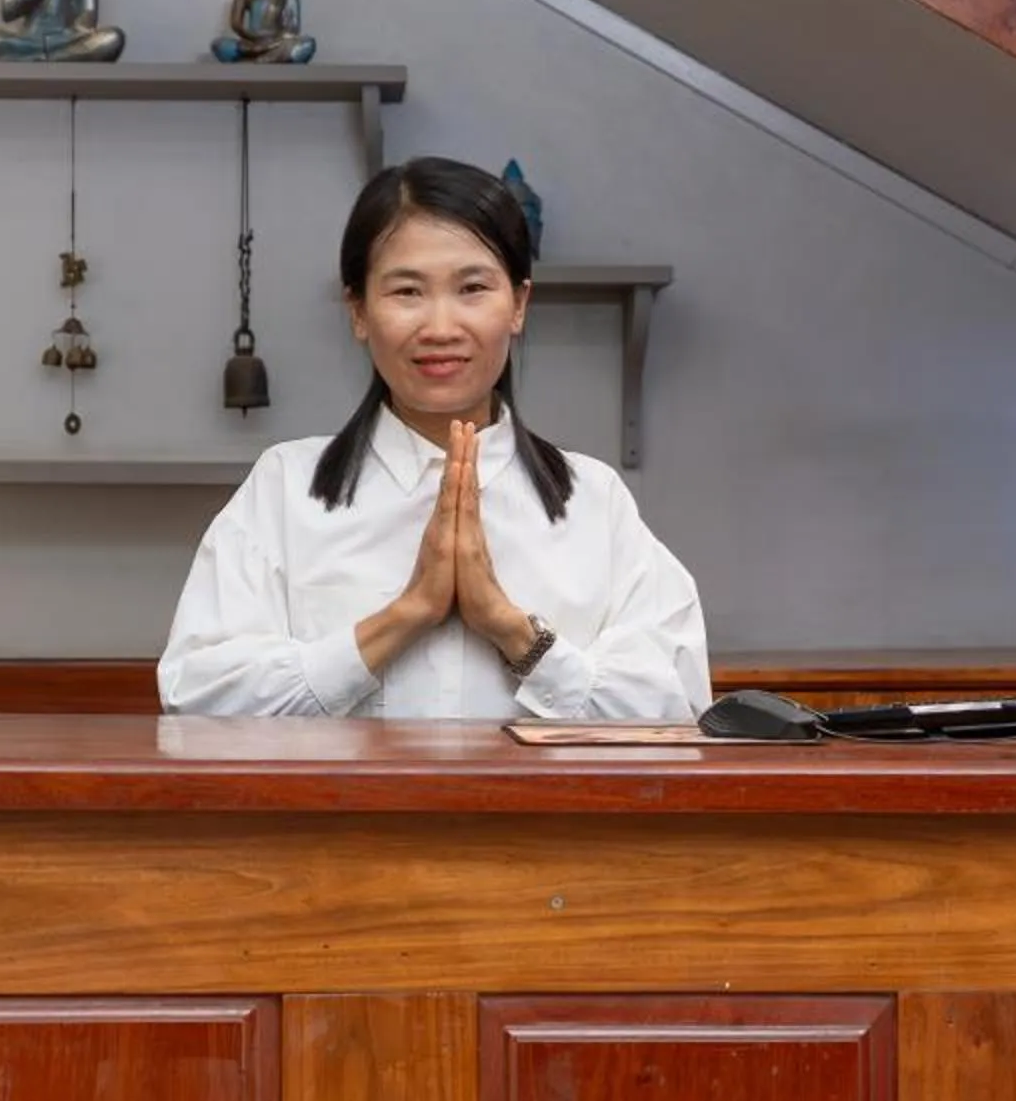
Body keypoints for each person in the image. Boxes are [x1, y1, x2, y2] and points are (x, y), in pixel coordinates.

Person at [160, 157, 709, 719]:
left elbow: (675, 706)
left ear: (518, 305)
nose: (441, 328)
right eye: (407, 292)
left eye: (473, 287)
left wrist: (511, 630)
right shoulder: (285, 488)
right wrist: (406, 615)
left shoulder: (593, 500)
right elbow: (197, 694)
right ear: (358, 310)